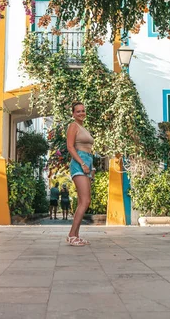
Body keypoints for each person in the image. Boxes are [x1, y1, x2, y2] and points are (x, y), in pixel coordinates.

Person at [66, 101, 94, 246]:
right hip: (79, 163)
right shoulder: (73, 126)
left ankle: (75, 235)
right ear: (73, 114)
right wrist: (82, 164)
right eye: (78, 111)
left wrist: (91, 167)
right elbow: (70, 147)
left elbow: (89, 150)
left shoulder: (83, 128)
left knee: (85, 201)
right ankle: (71, 235)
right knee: (85, 201)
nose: (81, 113)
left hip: (87, 163)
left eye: (83, 110)